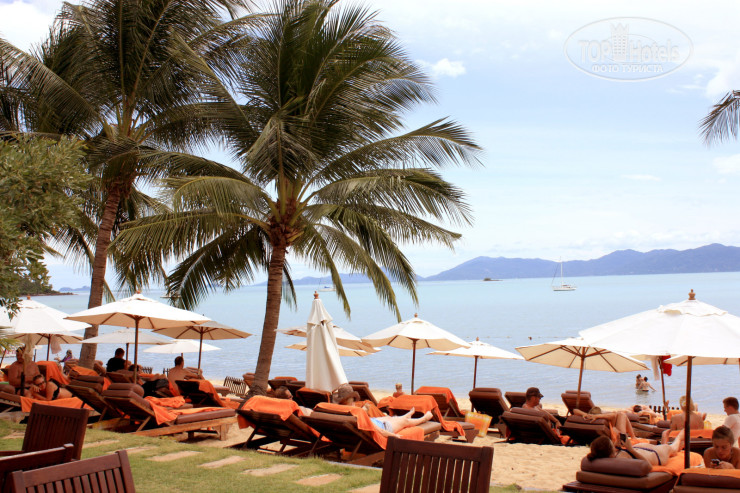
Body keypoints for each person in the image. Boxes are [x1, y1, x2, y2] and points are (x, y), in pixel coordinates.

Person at [588, 431, 684, 466]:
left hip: (646, 450)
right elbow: (647, 465)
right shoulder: (621, 461)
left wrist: (617, 445)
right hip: (658, 455)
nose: (613, 445)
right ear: (609, 450)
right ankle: (679, 437)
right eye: (611, 444)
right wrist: (631, 449)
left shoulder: (611, 456)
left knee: (665, 447)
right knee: (671, 448)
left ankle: (666, 442)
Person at [369, 407, 434, 438]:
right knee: (405, 422)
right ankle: (423, 419)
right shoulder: (366, 422)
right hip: (385, 427)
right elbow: (381, 431)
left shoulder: (362, 418)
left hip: (377, 421)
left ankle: (405, 416)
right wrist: (394, 435)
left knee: (389, 417)